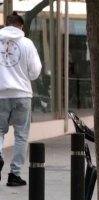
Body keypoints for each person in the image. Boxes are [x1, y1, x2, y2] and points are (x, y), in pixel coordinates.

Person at [0, 13, 42, 187]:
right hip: (22, 94)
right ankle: (14, 175)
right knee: (21, 136)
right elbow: (35, 71)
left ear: (6, 24)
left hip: (0, 94)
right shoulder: (27, 44)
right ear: (21, 26)